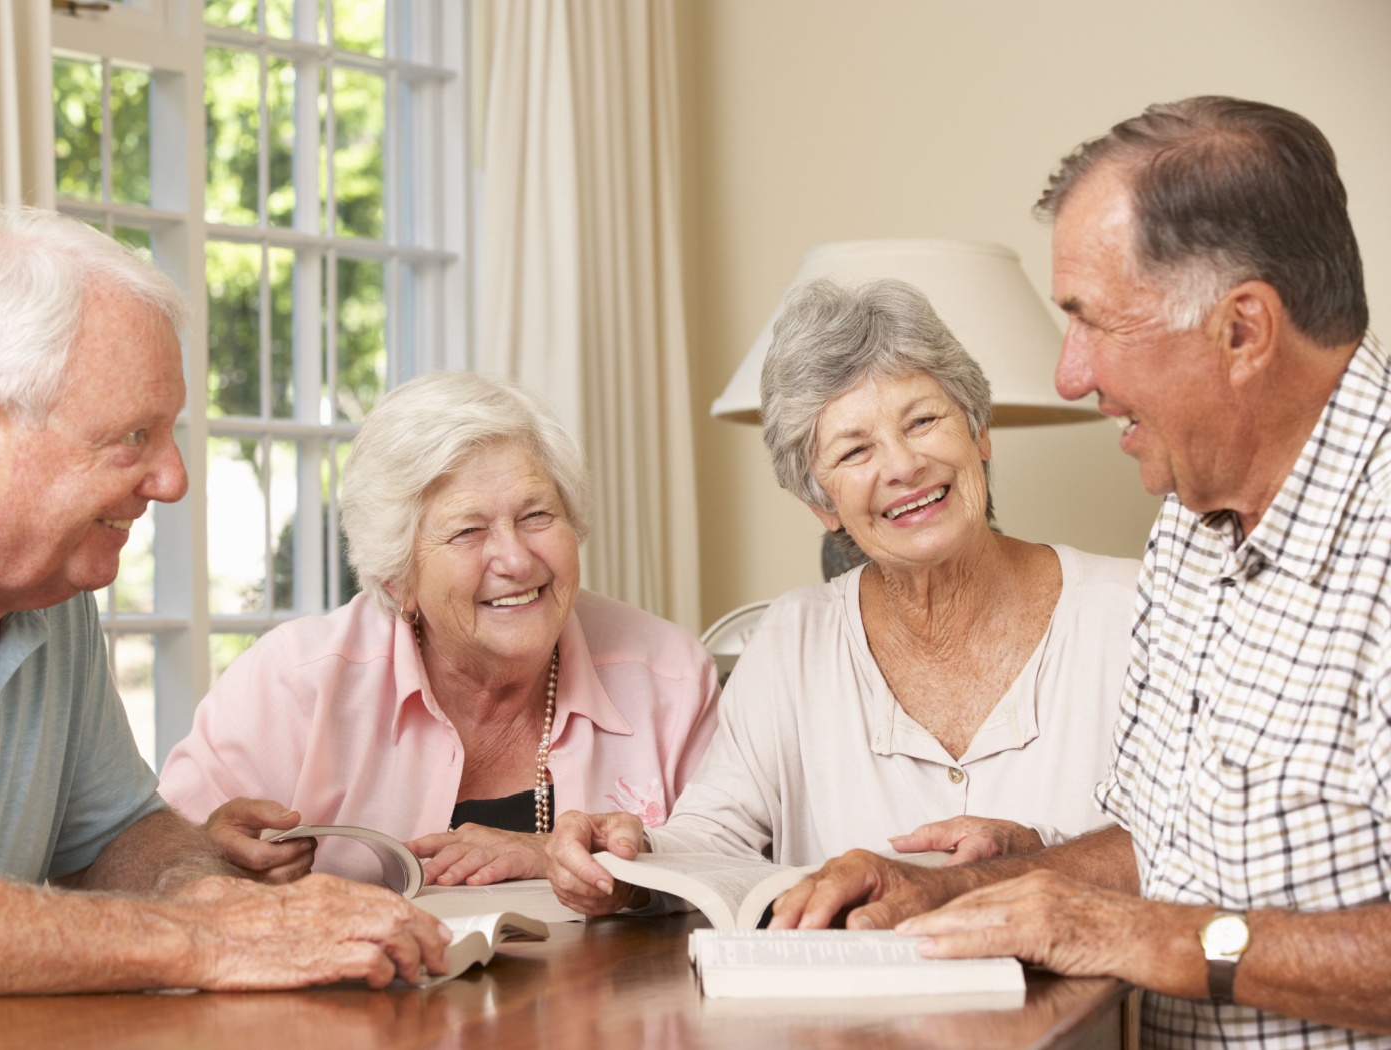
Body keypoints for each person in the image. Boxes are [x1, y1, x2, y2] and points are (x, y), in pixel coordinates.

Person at [768, 97, 1391, 1047]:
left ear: (1243, 330)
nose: (1070, 374)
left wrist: (1144, 939)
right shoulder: (1188, 524)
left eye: (1092, 320)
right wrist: (955, 888)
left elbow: (1151, 921)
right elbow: (1161, 847)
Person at [0, 207, 449, 994]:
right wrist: (203, 937)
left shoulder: (47, 582)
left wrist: (211, 895)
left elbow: (118, 836)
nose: (171, 481)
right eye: (133, 438)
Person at [547, 277, 1140, 916]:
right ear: (820, 503)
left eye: (923, 421)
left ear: (980, 434)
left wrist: (1031, 856)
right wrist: (626, 861)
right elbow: (715, 839)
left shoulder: (1136, 611)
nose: (903, 465)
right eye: (855, 450)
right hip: (851, 1016)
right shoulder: (792, 640)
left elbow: (1197, 842)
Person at [156, 370, 719, 888]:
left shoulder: (669, 678)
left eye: (536, 516)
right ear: (398, 579)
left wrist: (550, 854)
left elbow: (734, 869)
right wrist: (208, 858)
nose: (516, 560)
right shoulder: (293, 686)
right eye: (468, 531)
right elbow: (150, 865)